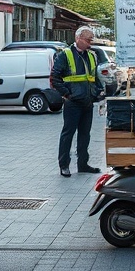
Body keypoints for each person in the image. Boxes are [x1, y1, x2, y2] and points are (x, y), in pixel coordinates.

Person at [51, 26, 104, 177]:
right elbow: (55, 78)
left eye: (91, 40)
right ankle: (64, 165)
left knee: (85, 135)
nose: (90, 43)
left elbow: (93, 77)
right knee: (68, 133)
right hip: (73, 102)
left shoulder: (92, 55)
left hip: (87, 102)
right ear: (78, 39)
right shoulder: (65, 55)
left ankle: (83, 164)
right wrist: (68, 94)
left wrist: (98, 91)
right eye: (88, 40)